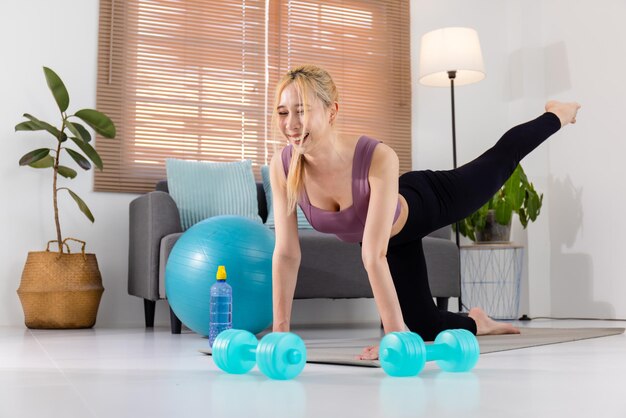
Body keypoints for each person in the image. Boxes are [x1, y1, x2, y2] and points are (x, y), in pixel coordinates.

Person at [268, 64, 581, 361]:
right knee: (422, 325)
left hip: (425, 201)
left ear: (332, 111)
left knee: (498, 164)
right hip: (389, 239)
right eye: (283, 113)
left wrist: (393, 336)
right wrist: (280, 332)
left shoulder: (375, 156)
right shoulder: (283, 167)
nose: (291, 124)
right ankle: (478, 322)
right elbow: (286, 254)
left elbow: (373, 256)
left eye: (303, 111)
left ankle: (557, 114)